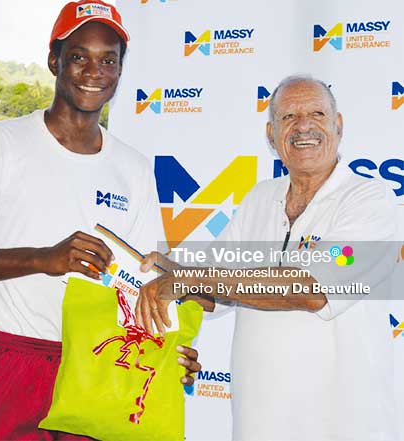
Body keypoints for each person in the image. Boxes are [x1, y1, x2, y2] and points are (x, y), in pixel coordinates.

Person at [0, 1, 201, 439]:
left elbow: (145, 282)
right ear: (54, 60)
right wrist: (43, 258)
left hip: (100, 372)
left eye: (108, 60)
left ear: (120, 71)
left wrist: (169, 353)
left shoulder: (133, 167)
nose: (94, 71)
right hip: (13, 361)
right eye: (79, 56)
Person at [137, 75, 399, 440]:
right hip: (259, 424)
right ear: (271, 134)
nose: (303, 125)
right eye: (288, 117)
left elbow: (311, 289)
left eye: (317, 113)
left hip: (344, 424)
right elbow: (215, 290)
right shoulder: (261, 197)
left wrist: (189, 279)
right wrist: (154, 272)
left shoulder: (370, 200)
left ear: (338, 125)